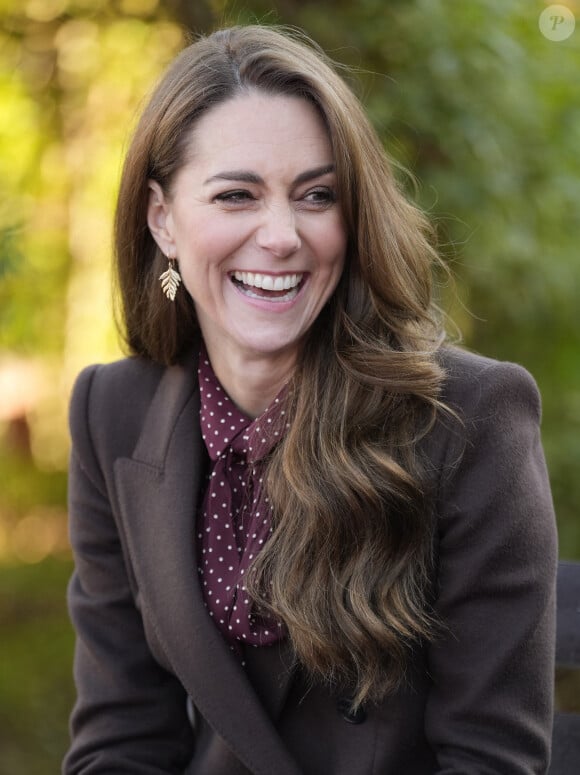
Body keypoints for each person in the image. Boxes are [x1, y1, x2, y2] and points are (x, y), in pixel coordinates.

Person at [63, 24, 557, 775]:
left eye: (316, 195)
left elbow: (490, 757)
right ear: (162, 219)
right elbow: (122, 740)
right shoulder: (112, 413)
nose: (283, 235)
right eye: (237, 195)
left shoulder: (471, 417)